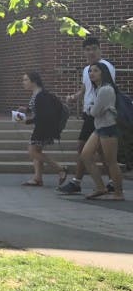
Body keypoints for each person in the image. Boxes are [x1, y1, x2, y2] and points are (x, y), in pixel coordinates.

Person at [57, 37, 116, 195]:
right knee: (102, 151)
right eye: (87, 49)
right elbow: (85, 88)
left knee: (82, 148)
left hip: (98, 114)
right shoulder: (86, 69)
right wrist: (75, 97)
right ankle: (112, 183)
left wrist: (96, 107)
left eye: (94, 48)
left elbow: (106, 88)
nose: (91, 52)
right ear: (84, 52)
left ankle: (77, 182)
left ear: (100, 49)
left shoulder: (105, 67)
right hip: (89, 112)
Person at [80, 62, 125, 200]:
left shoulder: (106, 89)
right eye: (90, 71)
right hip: (99, 127)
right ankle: (100, 187)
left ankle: (118, 193)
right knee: (86, 155)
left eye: (95, 71)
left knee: (111, 162)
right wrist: (92, 108)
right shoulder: (99, 88)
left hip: (108, 128)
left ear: (103, 73)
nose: (91, 73)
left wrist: (89, 108)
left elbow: (94, 112)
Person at [18, 71, 67, 187]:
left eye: (25, 80)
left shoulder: (40, 96)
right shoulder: (37, 94)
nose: (23, 82)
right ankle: (37, 178)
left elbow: (43, 115)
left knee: (32, 151)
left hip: (43, 128)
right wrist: (27, 110)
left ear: (33, 81)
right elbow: (38, 110)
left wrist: (27, 121)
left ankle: (60, 168)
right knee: (37, 152)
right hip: (42, 126)